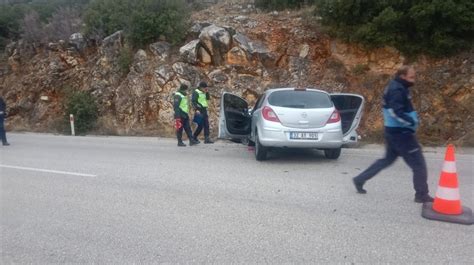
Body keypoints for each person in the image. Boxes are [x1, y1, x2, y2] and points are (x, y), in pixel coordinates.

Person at [352, 65, 433, 203]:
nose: (414, 80)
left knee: (386, 160)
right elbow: (395, 112)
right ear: (403, 77)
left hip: (393, 132)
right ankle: (421, 195)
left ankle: (360, 179)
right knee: (418, 164)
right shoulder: (397, 90)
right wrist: (411, 122)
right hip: (402, 134)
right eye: (411, 77)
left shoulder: (397, 86)